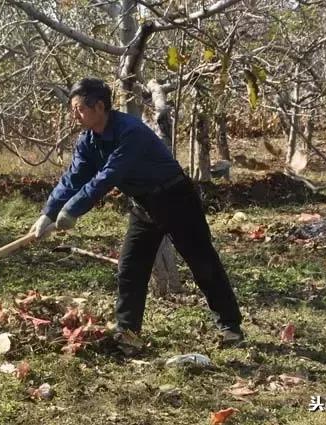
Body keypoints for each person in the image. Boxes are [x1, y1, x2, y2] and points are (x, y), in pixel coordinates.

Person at [29, 78, 243, 348]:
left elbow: (108, 176)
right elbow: (73, 178)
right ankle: (127, 332)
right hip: (144, 204)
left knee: (202, 262)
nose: (74, 115)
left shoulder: (131, 131)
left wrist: (72, 210)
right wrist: (48, 213)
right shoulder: (88, 141)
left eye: (78, 109)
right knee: (131, 267)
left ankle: (230, 327)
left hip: (176, 199)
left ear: (98, 107)